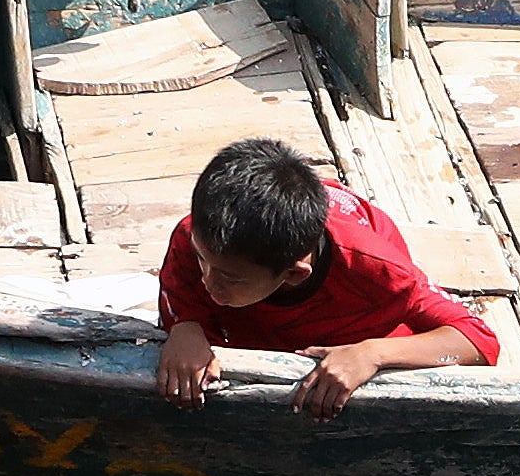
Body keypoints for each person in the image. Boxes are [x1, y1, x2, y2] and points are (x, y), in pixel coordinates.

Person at [150, 136, 500, 416]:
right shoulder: (197, 237)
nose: (208, 282)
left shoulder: (378, 274)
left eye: (230, 278)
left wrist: (373, 354)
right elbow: (182, 291)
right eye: (202, 261)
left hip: (343, 331)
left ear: (293, 274)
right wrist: (186, 326)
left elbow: (477, 342)